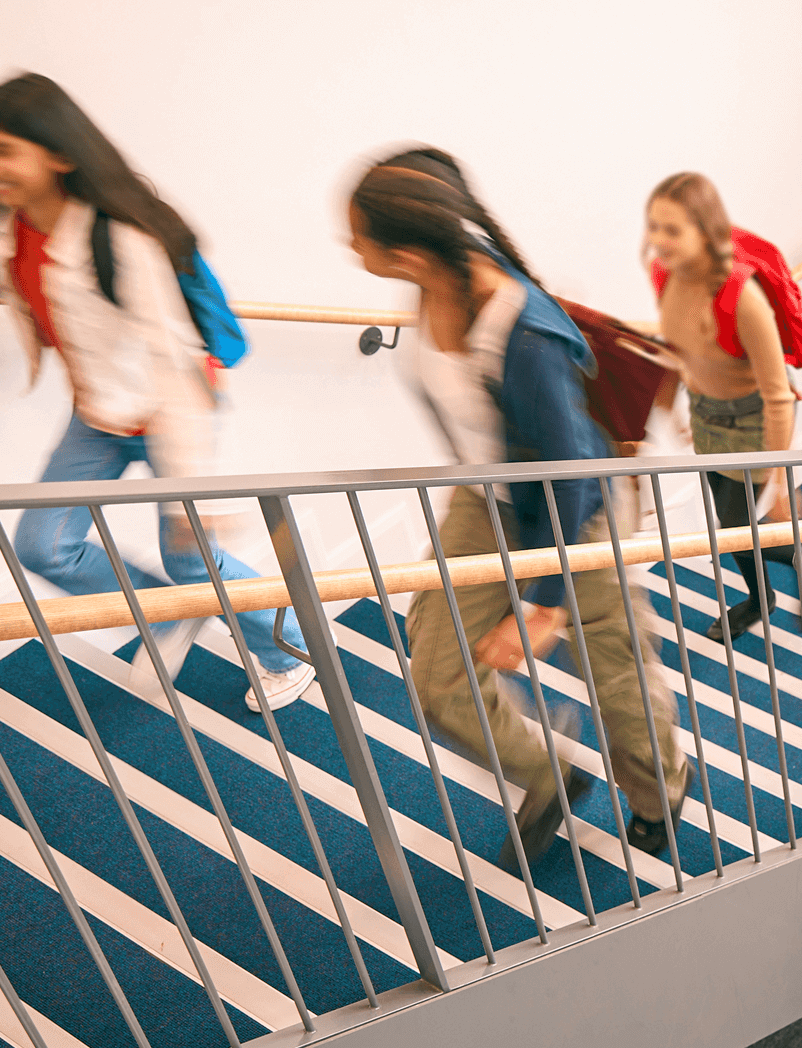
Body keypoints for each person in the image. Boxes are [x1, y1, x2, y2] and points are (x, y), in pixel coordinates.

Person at [345, 150, 687, 862]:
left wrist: (542, 603)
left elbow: (569, 472)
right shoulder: (434, 278)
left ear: (404, 252)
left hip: (577, 511)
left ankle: (661, 791)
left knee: (617, 672)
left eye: (359, 238)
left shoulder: (520, 330)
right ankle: (550, 773)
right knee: (439, 671)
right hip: (491, 497)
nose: (352, 250)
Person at [0, 73, 313, 711]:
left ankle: (294, 654)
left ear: (58, 156)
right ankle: (167, 612)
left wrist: (185, 499)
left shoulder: (122, 238)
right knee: (42, 545)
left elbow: (178, 367)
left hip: (169, 413)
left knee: (194, 563)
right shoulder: (13, 226)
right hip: (100, 416)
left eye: (7, 151)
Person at [646, 173, 802, 643]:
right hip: (707, 416)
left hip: (754, 421)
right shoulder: (663, 274)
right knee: (731, 524)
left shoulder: (742, 298)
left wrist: (783, 484)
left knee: (737, 525)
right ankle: (760, 597)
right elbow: (678, 345)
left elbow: (779, 396)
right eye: (654, 227)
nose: (658, 241)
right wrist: (672, 410)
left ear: (705, 231)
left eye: (672, 229)